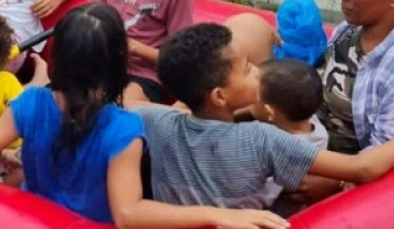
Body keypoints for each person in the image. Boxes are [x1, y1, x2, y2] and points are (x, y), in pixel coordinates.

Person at [0, 4, 286, 229]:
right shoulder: (122, 127)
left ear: (58, 56)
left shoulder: (30, 101)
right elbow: (128, 214)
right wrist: (220, 215)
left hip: (33, 217)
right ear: (119, 61)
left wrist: (7, 154)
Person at [135, 23, 394, 210]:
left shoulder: (157, 122)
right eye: (248, 69)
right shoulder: (262, 140)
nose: (258, 72)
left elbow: (128, 105)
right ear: (219, 96)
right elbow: (363, 168)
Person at [316, 0, 394, 153]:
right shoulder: (348, 31)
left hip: (342, 169)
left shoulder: (388, 66)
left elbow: (380, 155)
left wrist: (334, 180)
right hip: (305, 143)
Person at [248, 59, 329, 215]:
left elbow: (262, 197)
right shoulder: (311, 122)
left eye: (253, 96)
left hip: (280, 206)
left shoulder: (282, 152)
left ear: (269, 112)